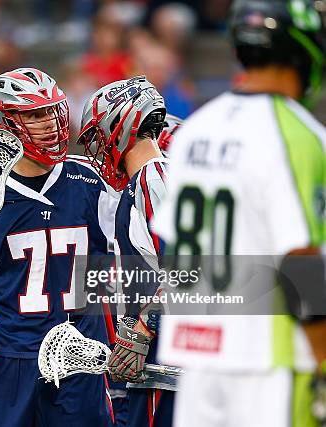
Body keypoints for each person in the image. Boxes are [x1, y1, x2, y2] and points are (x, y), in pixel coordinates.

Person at [151, 0, 326, 426]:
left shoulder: (195, 129)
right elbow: (301, 263)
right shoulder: (300, 136)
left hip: (196, 357)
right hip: (267, 359)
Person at [0, 67, 116, 427]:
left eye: (52, 111)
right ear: (5, 122)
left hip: (80, 355)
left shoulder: (93, 181)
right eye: (35, 115)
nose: (50, 123)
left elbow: (132, 260)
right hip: (10, 357)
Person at [78, 76, 175, 427]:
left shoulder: (154, 176)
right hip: (160, 357)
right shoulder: (146, 180)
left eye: (100, 136)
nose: (100, 149)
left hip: (170, 357)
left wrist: (142, 328)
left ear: (122, 124)